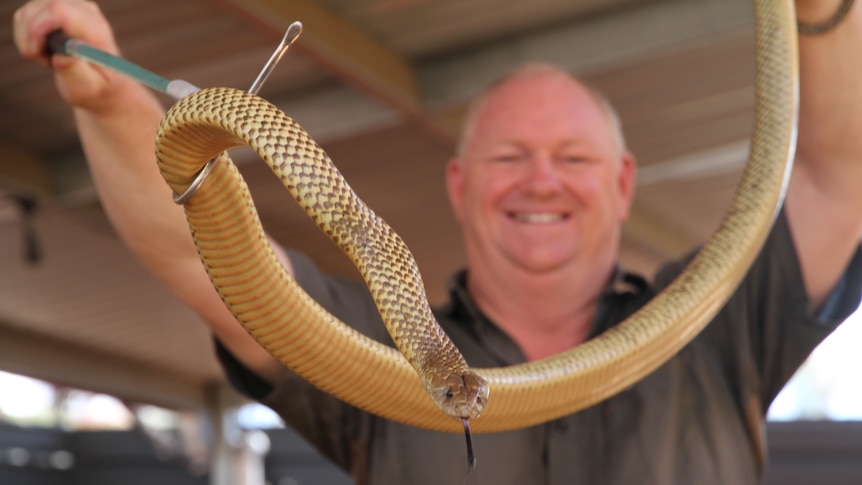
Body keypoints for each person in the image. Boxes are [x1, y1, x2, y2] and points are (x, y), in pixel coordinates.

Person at [13, 0, 862, 483]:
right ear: (459, 183)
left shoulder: (710, 322)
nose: (541, 181)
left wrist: (822, 14)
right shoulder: (374, 355)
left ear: (623, 183)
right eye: (509, 156)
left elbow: (837, 178)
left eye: (572, 157)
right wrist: (113, 105)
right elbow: (206, 255)